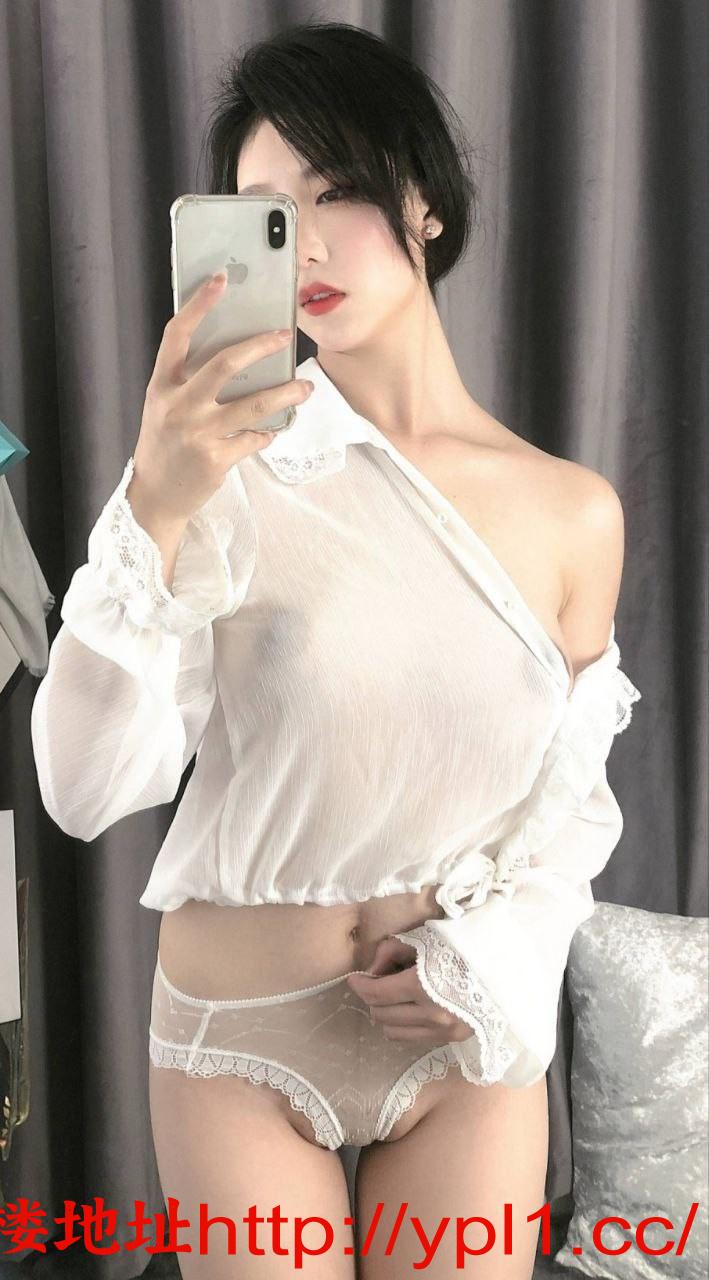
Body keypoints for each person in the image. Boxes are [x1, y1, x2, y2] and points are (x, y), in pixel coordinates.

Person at [30, 20, 641, 1280]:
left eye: (338, 191)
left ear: (423, 202)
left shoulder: (572, 511)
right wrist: (151, 508)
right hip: (239, 1045)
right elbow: (79, 788)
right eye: (267, 213)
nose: (304, 244)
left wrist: (492, 960)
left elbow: (566, 813)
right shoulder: (213, 475)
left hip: (458, 1038)